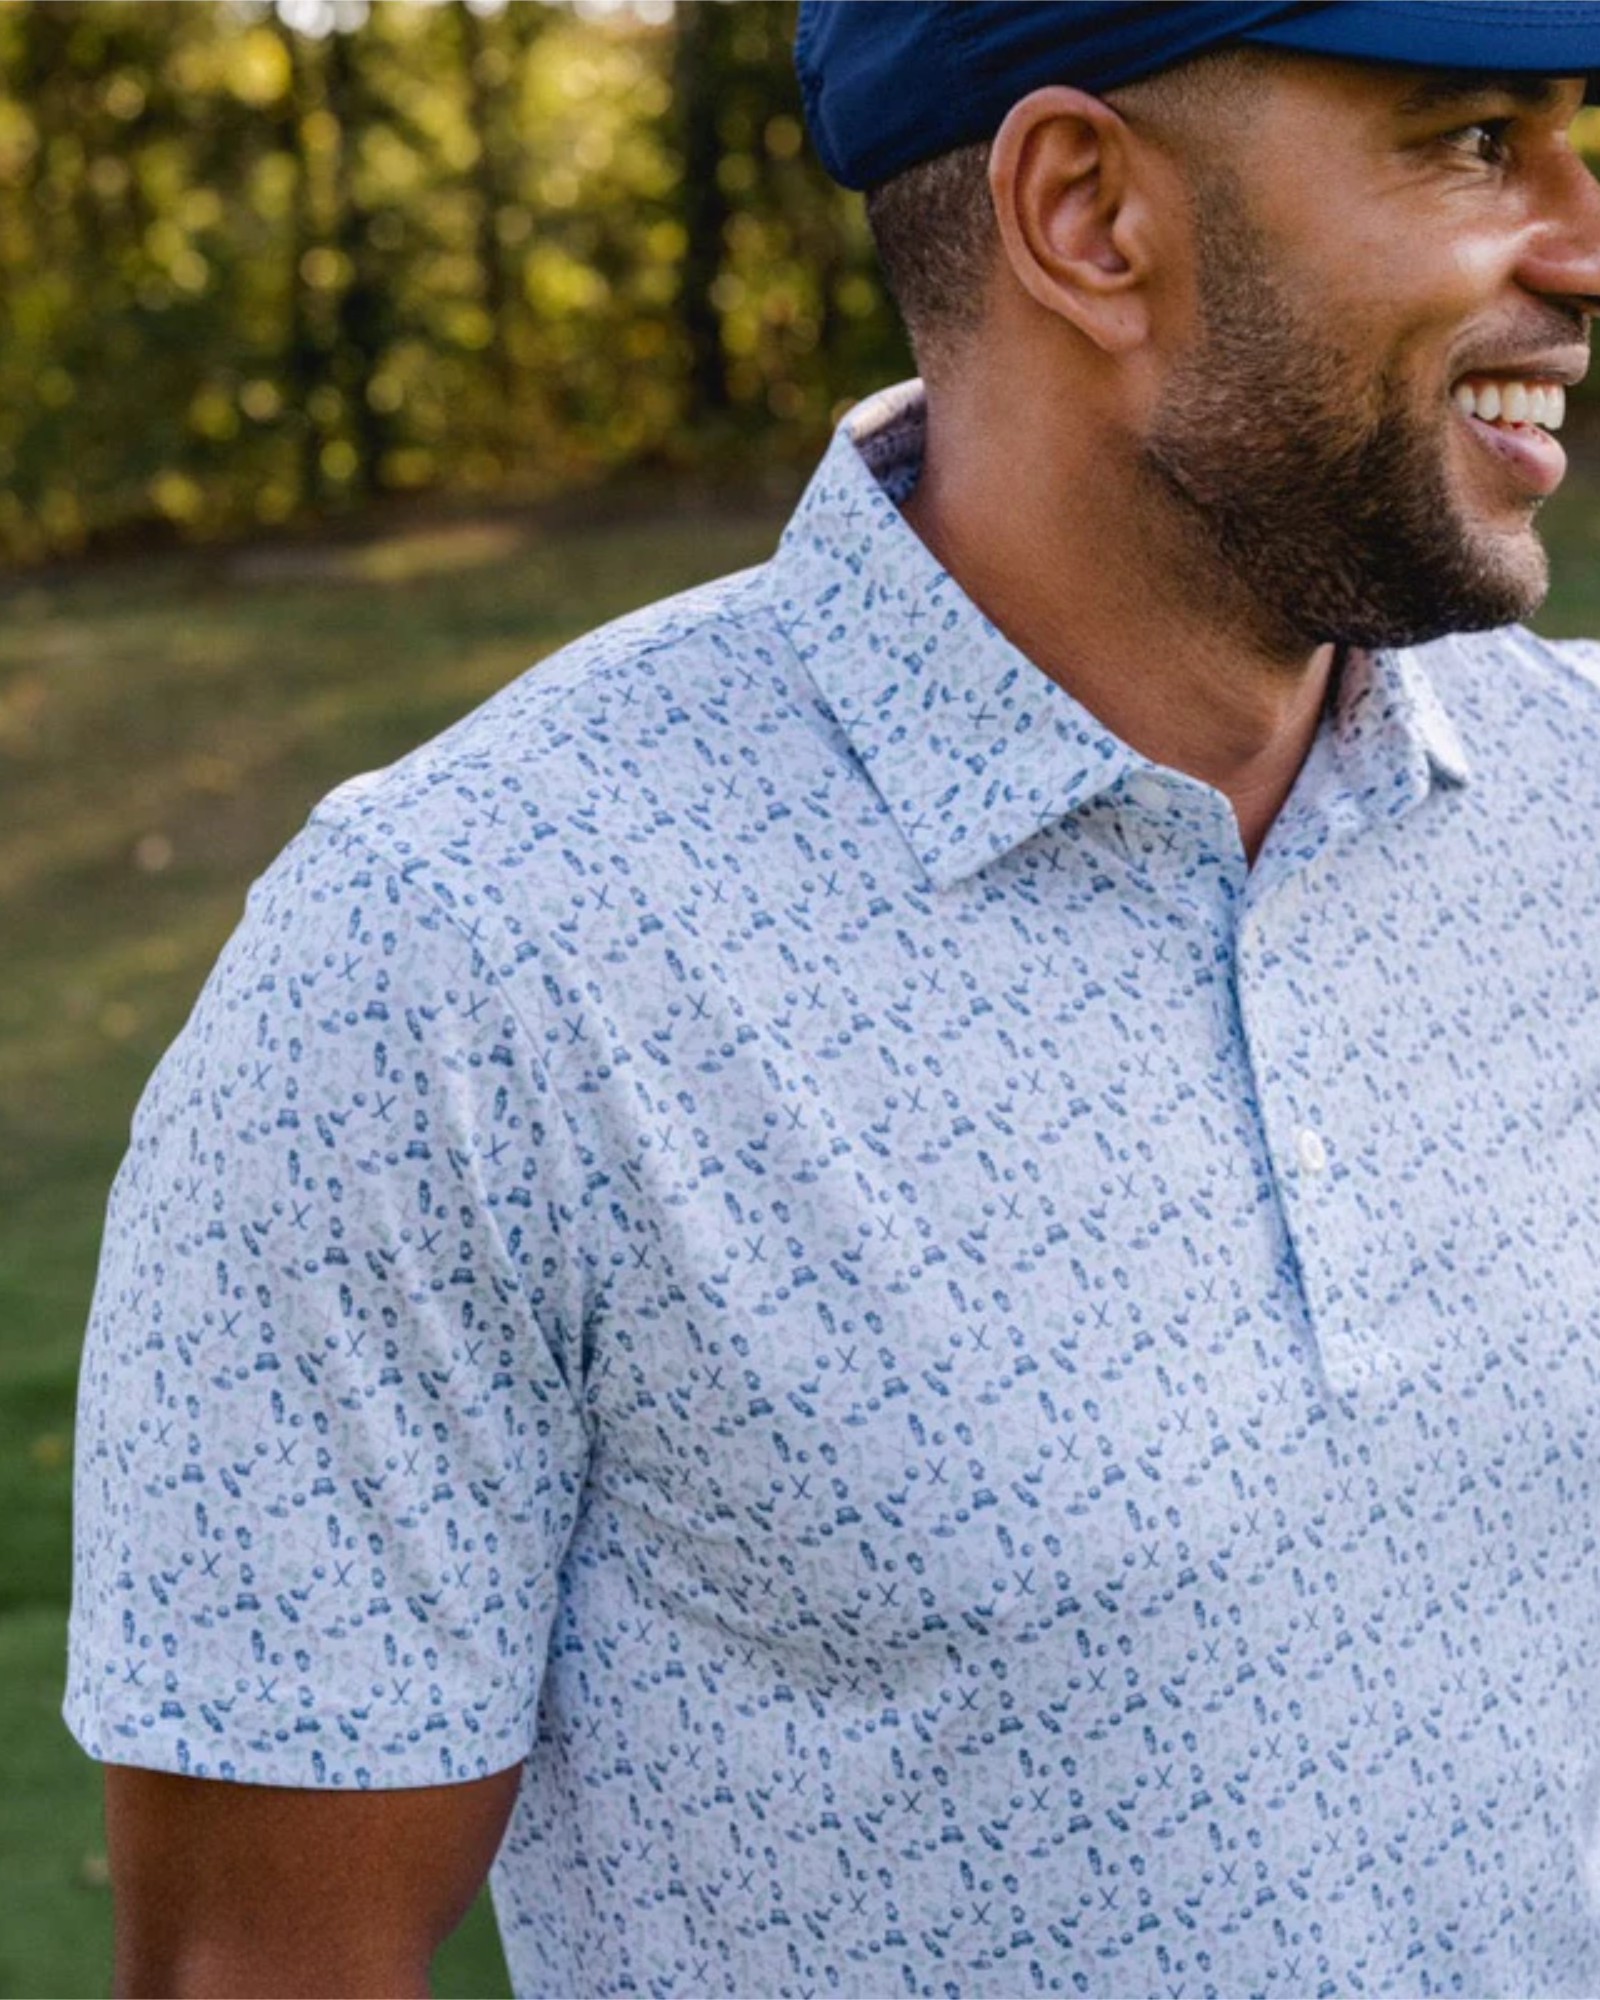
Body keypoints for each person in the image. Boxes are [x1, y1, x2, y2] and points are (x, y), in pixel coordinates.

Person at [65, 2, 1600, 1994]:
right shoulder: (457, 963)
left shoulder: (1576, 813)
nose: (1575, 238)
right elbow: (261, 1969)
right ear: (1086, 214)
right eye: (1473, 139)